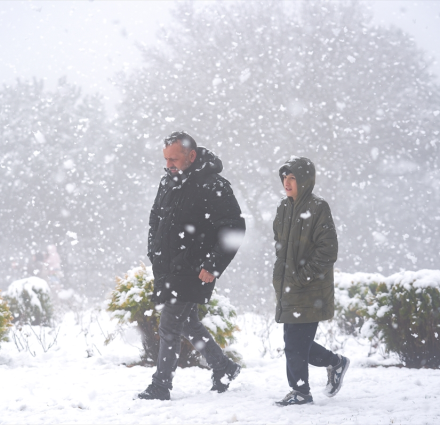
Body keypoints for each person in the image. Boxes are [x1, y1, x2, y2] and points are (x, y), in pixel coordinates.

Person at [137, 131, 246, 401]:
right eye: (166, 159)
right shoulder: (168, 182)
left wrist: (213, 264)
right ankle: (223, 367)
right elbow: (156, 221)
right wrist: (155, 253)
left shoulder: (212, 185)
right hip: (168, 267)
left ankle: (161, 386)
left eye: (174, 159)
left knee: (169, 326)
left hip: (195, 268)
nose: (169, 164)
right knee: (188, 324)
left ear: (192, 155)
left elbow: (234, 227)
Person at [272, 156, 350, 406]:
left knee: (295, 344)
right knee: (295, 343)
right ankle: (335, 362)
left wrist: (303, 275)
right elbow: (280, 244)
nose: (287, 182)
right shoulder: (284, 208)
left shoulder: (318, 208)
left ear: (304, 180)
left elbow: (328, 250)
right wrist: (283, 276)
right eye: (285, 177)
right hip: (289, 288)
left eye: (293, 177)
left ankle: (301, 392)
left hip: (310, 289)